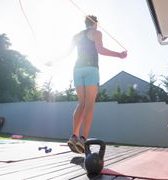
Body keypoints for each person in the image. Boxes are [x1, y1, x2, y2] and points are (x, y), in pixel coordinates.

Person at [46, 15, 127, 153]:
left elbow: (67, 52)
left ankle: (73, 137)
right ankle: (83, 139)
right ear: (95, 23)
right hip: (91, 70)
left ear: (85, 23)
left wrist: (53, 61)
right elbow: (100, 50)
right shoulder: (96, 33)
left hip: (77, 70)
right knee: (89, 104)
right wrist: (119, 55)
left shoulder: (76, 35)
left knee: (81, 103)